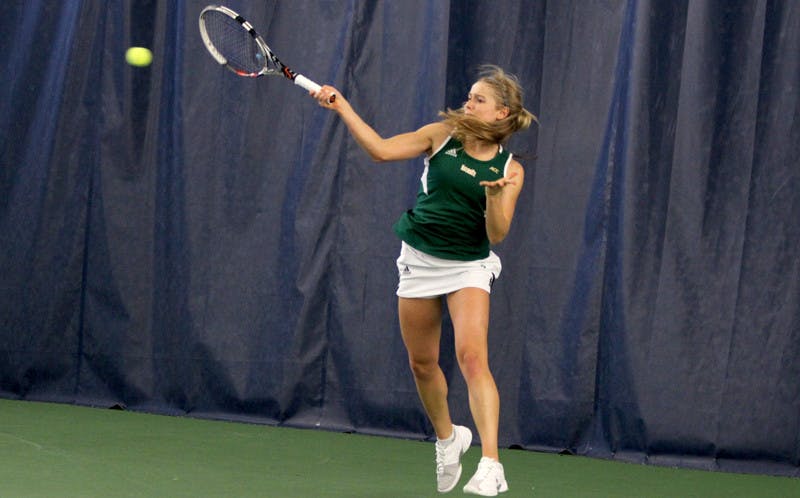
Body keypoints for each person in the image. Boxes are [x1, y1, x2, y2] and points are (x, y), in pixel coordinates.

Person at [312, 65, 535, 496]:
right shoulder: (441, 135)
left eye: (478, 100)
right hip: (419, 257)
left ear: (501, 113)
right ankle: (449, 438)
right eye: (469, 96)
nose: (468, 103)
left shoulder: (510, 169)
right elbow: (379, 150)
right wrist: (342, 106)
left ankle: (491, 464)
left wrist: (492, 197)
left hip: (468, 265)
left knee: (472, 358)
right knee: (422, 363)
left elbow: (497, 234)